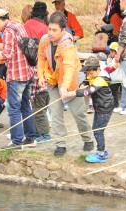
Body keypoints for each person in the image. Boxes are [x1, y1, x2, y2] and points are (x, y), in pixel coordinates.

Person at [0, 8, 37, 148]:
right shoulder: (16, 26)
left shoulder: (8, 31)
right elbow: (9, 46)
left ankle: (16, 141)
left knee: (14, 109)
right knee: (25, 106)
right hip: (27, 72)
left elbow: (6, 55)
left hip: (17, 75)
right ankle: (30, 139)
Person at [37, 11, 94, 157]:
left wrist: (64, 86)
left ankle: (88, 139)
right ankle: (60, 144)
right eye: (49, 29)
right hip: (53, 81)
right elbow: (41, 58)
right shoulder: (44, 40)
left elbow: (69, 67)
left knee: (78, 114)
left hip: (72, 81)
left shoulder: (68, 44)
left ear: (63, 30)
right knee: (56, 115)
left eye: (54, 30)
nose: (50, 33)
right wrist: (40, 75)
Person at [64, 57, 114, 163]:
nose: (88, 75)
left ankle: (101, 155)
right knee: (96, 129)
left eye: (90, 73)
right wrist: (84, 84)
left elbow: (88, 91)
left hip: (104, 109)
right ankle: (102, 151)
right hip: (101, 108)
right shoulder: (96, 77)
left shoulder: (100, 80)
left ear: (97, 70)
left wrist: (71, 93)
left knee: (98, 131)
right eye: (87, 73)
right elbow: (88, 83)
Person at [24, 1, 51, 143]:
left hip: (28, 66)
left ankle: (39, 132)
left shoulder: (26, 25)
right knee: (41, 105)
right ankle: (42, 131)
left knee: (32, 102)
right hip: (42, 67)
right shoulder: (46, 29)